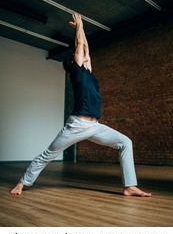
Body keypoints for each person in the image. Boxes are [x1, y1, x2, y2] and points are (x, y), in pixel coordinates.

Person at [10, 13, 151, 197]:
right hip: (77, 125)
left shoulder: (88, 73)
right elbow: (80, 45)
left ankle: (129, 186)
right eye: (81, 55)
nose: (85, 55)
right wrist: (78, 27)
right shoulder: (76, 72)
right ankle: (22, 182)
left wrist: (82, 27)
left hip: (94, 126)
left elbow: (86, 48)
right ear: (73, 62)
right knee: (48, 154)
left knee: (125, 142)